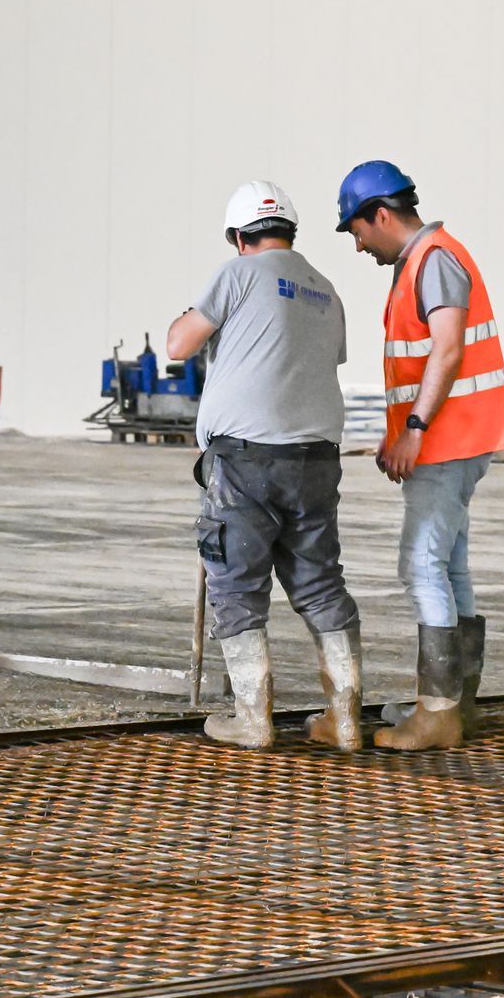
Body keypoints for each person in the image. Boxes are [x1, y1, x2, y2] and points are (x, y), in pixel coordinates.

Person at [166, 181, 361, 752]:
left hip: (247, 459)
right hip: (318, 459)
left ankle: (253, 719)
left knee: (237, 586)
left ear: (237, 237)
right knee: (322, 584)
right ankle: (345, 720)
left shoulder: (237, 274)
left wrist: (193, 315)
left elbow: (180, 342)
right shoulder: (325, 289)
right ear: (291, 232)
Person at [336, 160, 504, 751]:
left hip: (446, 440)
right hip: (458, 437)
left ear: (380, 214)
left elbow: (448, 348)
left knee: (421, 564)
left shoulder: (433, 259)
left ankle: (437, 714)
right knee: (450, 566)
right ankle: (457, 702)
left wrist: (413, 428)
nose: (358, 244)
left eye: (357, 230)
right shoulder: (425, 259)